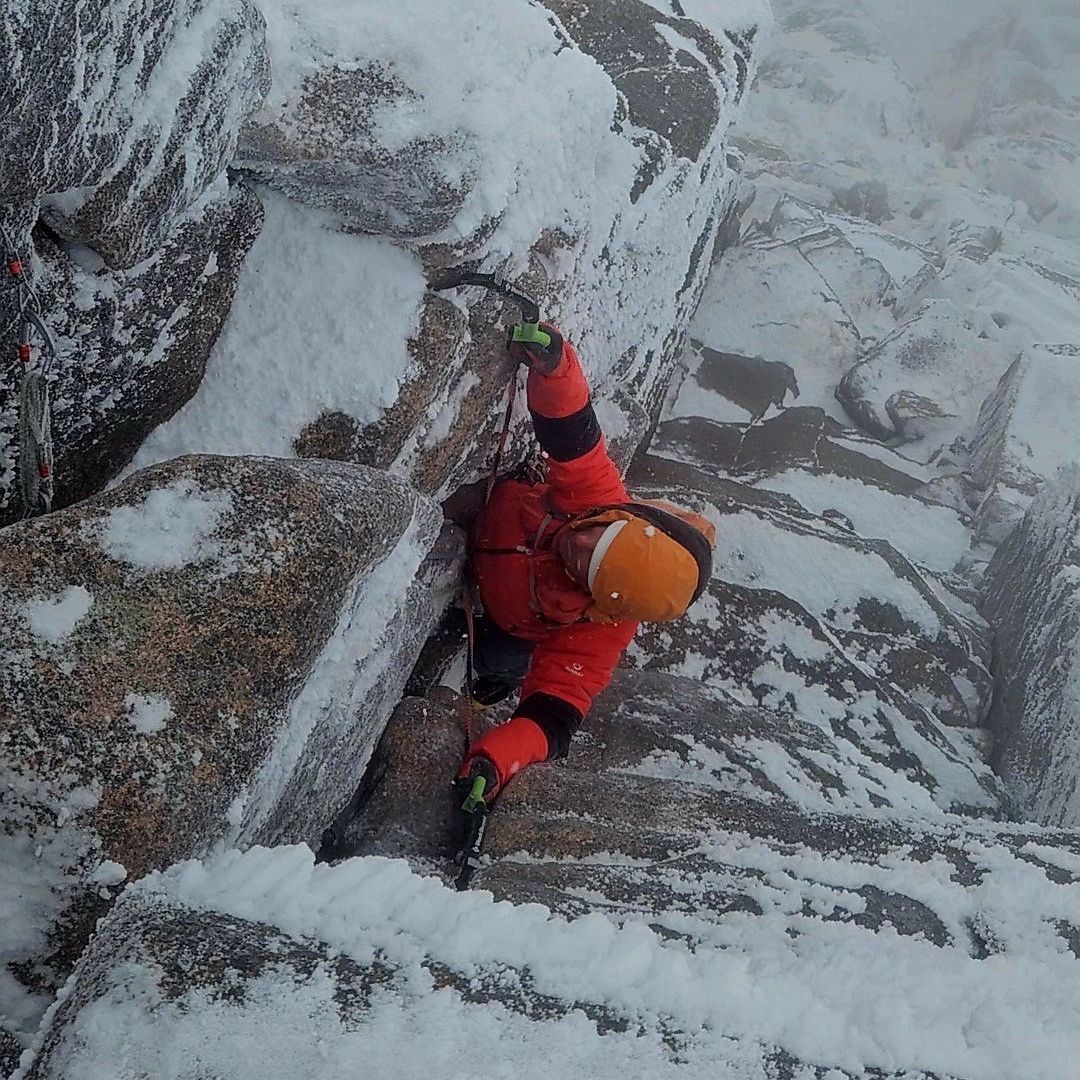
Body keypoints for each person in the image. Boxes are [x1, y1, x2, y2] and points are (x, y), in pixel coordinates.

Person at [458, 323, 716, 803]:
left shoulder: (601, 633)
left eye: (588, 570)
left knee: (497, 661)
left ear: (606, 603)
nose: (579, 547)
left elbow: (554, 715)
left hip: (504, 617)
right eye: (600, 538)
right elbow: (571, 426)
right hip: (488, 525)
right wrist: (554, 362)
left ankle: (492, 677)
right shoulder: (597, 500)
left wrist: (494, 761)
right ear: (623, 518)